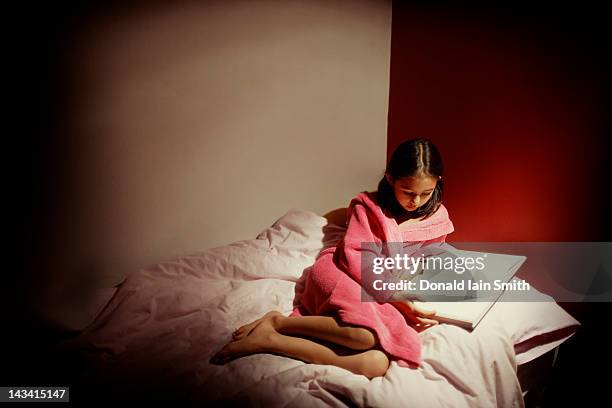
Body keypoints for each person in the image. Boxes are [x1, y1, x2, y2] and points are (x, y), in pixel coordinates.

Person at [209, 138, 454, 379]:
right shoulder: (367, 207)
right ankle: (279, 323)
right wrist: (394, 294)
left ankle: (270, 339)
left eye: (426, 193)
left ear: (438, 182)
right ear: (390, 179)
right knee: (365, 336)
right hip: (343, 270)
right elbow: (357, 255)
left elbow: (428, 259)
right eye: (408, 192)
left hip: (386, 286)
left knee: (375, 363)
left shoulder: (437, 216)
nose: (416, 201)